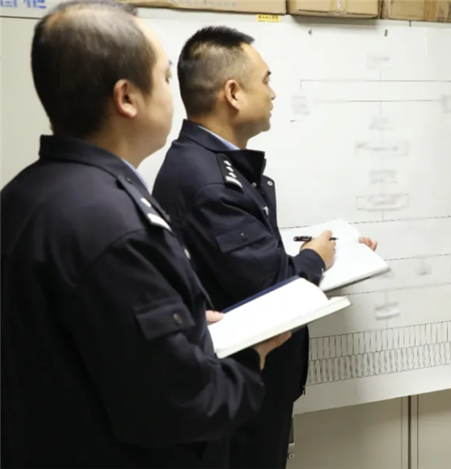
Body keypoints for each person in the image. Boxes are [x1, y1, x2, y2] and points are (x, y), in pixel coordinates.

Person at [0, 2, 290, 467]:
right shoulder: (112, 224)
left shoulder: (24, 194)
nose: (175, 94)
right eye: (165, 77)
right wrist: (248, 360)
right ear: (127, 98)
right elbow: (178, 404)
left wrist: (187, 325)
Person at [151, 26, 378, 469]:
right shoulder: (209, 181)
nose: (273, 93)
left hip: (246, 384)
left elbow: (246, 262)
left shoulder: (211, 165)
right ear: (233, 93)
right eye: (267, 80)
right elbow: (276, 288)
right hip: (239, 390)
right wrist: (315, 257)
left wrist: (337, 250)